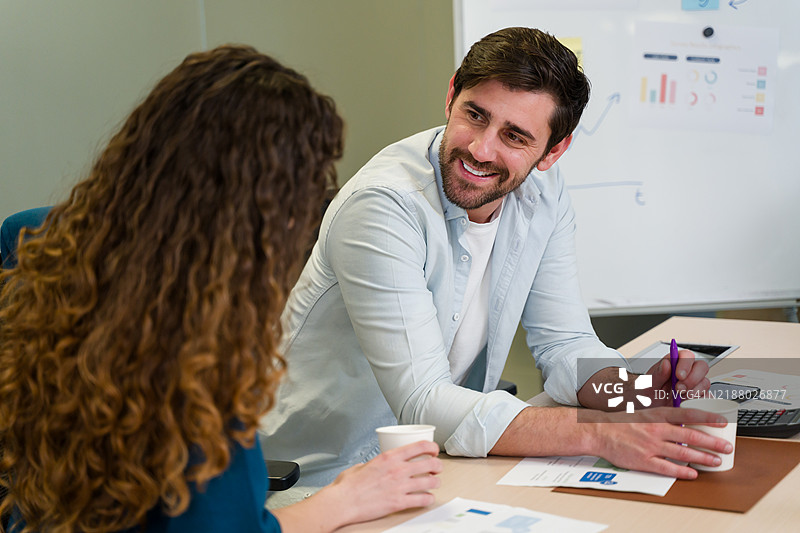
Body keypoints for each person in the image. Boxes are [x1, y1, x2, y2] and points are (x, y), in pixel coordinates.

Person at [260, 26, 732, 505]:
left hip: (431, 469)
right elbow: (423, 400)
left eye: (514, 136)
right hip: (316, 482)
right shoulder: (383, 206)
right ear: (451, 96)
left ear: (554, 151)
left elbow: (565, 342)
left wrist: (632, 394)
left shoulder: (543, 193)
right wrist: (601, 432)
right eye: (475, 115)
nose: (481, 150)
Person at [0, 45, 441, 533]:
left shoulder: (58, 288)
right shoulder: (193, 371)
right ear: (263, 215)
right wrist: (348, 502)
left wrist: (344, 500)